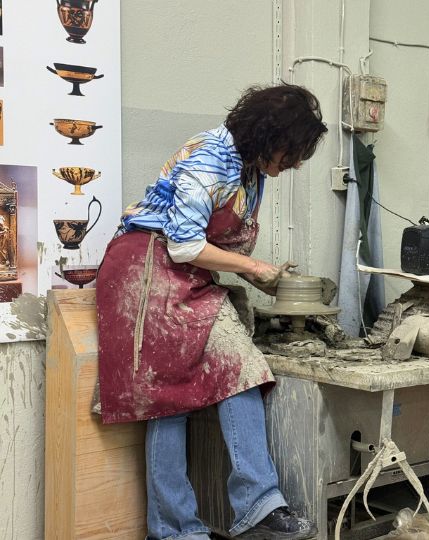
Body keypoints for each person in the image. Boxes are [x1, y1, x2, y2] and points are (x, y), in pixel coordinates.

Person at [96, 83, 328, 540]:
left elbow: (212, 248)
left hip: (183, 275)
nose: (297, 163)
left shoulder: (252, 169)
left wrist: (256, 274)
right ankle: (175, 530)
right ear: (267, 136)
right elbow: (184, 245)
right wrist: (251, 266)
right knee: (167, 402)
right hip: (145, 271)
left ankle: (258, 509)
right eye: (293, 151)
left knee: (243, 368)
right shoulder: (208, 159)